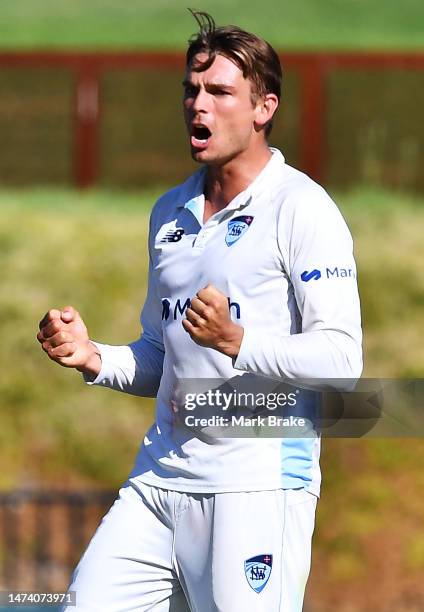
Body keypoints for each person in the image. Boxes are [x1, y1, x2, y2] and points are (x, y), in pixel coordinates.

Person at [37, 10, 362, 612]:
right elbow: (162, 358)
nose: (198, 105)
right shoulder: (169, 213)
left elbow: (341, 359)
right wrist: (92, 357)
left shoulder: (302, 209)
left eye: (219, 92)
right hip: (159, 481)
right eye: (191, 89)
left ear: (264, 108)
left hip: (257, 487)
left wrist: (239, 340)